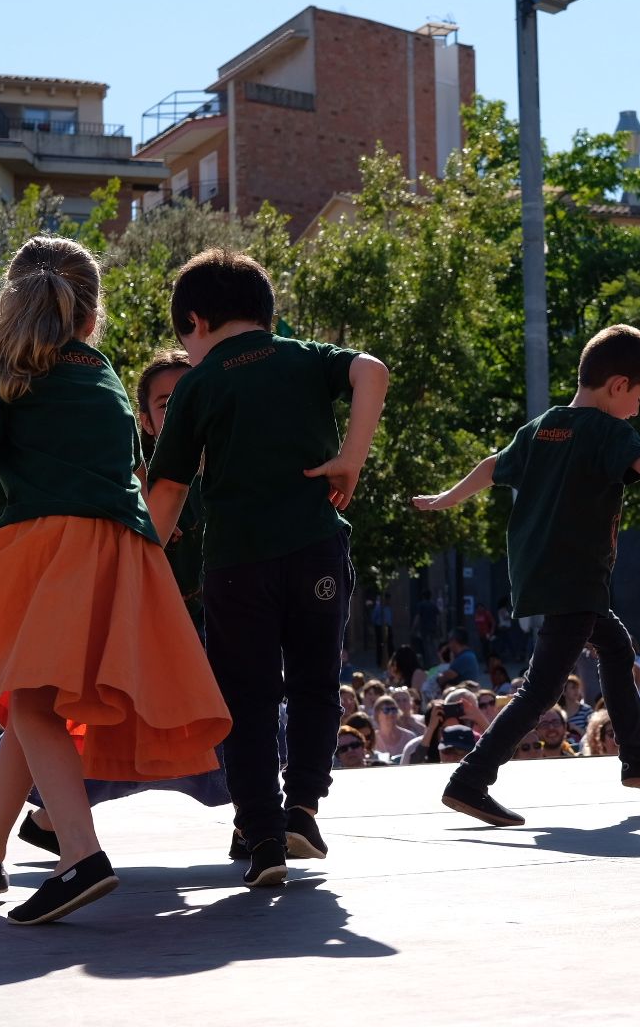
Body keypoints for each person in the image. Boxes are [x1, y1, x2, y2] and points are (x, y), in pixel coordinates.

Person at [0, 235, 231, 925]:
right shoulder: (104, 375)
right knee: (37, 701)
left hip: (57, 546)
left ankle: (81, 855)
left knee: (30, 704)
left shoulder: (7, 368)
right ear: (92, 315)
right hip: (121, 550)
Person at [415, 323, 640, 826]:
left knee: (615, 647)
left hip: (544, 572)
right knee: (541, 689)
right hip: (575, 576)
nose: (638, 410)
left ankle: (637, 760)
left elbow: (491, 465)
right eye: (639, 398)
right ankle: (470, 779)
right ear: (617, 386)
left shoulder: (541, 427)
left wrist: (448, 498)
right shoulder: (606, 431)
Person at [144, 248, 385, 889]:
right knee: (315, 681)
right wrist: (350, 458)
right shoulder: (304, 357)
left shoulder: (198, 383)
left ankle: (264, 839)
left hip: (237, 563)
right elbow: (373, 372)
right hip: (316, 550)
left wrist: (140, 565)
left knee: (245, 701)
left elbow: (167, 493)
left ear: (194, 320)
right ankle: (303, 807)